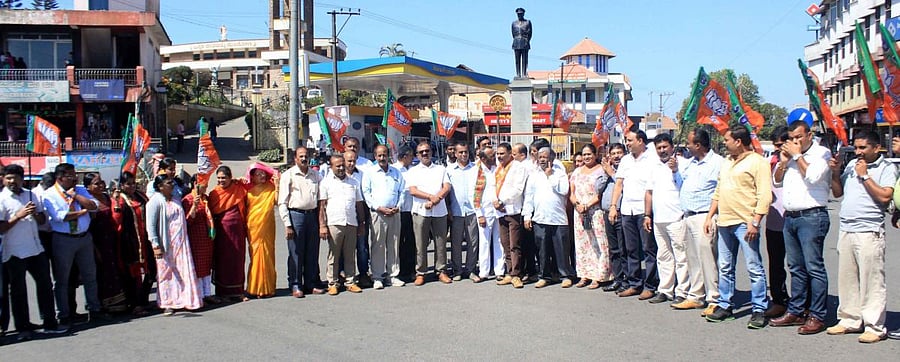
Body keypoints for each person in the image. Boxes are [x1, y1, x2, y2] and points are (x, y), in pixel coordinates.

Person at [825, 131, 895, 343]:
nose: (858, 152)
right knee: (847, 278)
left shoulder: (886, 167)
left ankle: (875, 326)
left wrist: (865, 176)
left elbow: (885, 196)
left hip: (869, 230)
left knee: (871, 280)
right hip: (847, 228)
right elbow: (838, 193)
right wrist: (835, 173)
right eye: (856, 148)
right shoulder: (851, 165)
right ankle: (850, 319)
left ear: (876, 148)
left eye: (863, 147)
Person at [703, 125, 771, 329]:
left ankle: (759, 309)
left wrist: (755, 222)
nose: (724, 143)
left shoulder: (758, 162)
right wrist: (709, 216)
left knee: (754, 267)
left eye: (727, 140)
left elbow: (764, 195)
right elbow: (718, 191)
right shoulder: (727, 162)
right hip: (725, 222)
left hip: (745, 223)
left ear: (738, 141)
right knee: (725, 266)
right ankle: (725, 305)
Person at [770, 120, 832, 335]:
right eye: (791, 138)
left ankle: (817, 315)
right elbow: (777, 181)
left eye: (798, 137)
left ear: (809, 135)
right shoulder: (790, 157)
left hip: (812, 216)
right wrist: (784, 162)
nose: (795, 141)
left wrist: (797, 156)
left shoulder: (821, 153)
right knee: (796, 267)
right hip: (791, 216)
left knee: (814, 267)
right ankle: (796, 310)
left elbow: (813, 177)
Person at [0, 164, 66, 340]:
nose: (12, 181)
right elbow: (1, 228)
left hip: (35, 248)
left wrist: (35, 213)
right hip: (14, 251)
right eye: (8, 178)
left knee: (45, 285)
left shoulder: (31, 195)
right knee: (18, 290)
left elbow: (42, 219)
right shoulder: (2, 199)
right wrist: (18, 216)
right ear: (3, 179)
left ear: (22, 179)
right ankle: (23, 327)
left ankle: (50, 322)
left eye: (15, 178)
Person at [41, 163, 103, 327]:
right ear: (60, 177)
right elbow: (61, 217)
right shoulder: (49, 194)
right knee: (62, 279)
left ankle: (94, 309)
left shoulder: (79, 190)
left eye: (74, 174)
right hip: (63, 239)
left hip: (84, 237)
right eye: (70, 175)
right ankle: (64, 313)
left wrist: (76, 196)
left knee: (90, 275)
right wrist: (82, 211)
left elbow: (94, 206)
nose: (74, 178)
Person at [672, 128, 723, 314]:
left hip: (705, 216)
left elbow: (720, 191)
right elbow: (681, 183)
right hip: (689, 216)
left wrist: (711, 217)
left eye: (690, 143)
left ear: (699, 145)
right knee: (693, 258)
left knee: (708, 259)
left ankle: (714, 298)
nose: (687, 146)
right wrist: (675, 171)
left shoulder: (718, 163)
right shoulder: (691, 163)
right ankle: (696, 296)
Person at [609, 130, 659, 300]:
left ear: (640, 141)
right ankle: (634, 284)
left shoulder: (652, 159)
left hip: (644, 210)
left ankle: (650, 285)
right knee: (631, 249)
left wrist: (648, 213)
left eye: (630, 140)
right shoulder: (626, 160)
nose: (627, 143)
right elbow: (619, 184)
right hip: (627, 210)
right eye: (627, 140)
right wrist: (613, 206)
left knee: (648, 249)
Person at [146, 175, 203, 316]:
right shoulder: (155, 202)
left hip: (181, 243)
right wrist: (155, 245)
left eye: (172, 182)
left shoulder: (176, 199)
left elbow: (184, 219)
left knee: (183, 271)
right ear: (160, 186)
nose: (172, 184)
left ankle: (185, 300)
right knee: (166, 274)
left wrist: (194, 206)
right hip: (166, 244)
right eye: (168, 183)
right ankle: (167, 303)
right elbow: (151, 226)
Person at [643, 133, 689, 305]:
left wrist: (675, 170)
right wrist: (647, 215)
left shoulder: (683, 164)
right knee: (663, 256)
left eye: (665, 147)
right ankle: (665, 289)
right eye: (659, 148)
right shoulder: (654, 167)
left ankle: (682, 291)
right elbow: (649, 193)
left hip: (677, 217)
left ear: (672, 147)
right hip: (658, 219)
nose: (662, 150)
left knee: (681, 257)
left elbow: (686, 187)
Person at [278, 146, 325, 298]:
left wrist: (321, 222)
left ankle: (311, 283)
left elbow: (321, 199)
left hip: (312, 216)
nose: (304, 159)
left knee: (312, 251)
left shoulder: (315, 175)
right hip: (295, 216)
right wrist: (288, 225)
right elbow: (282, 202)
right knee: (296, 252)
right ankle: (295, 284)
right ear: (295, 159)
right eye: (301, 156)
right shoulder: (288, 175)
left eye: (306, 156)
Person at [524, 147, 574, 288]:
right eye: (540, 157)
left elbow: (564, 190)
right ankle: (544, 276)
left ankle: (565, 276)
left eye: (544, 157)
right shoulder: (534, 175)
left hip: (558, 218)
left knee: (561, 249)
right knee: (542, 250)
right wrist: (527, 215)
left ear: (552, 158)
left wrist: (550, 175)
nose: (541, 160)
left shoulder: (560, 173)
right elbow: (529, 197)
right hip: (540, 218)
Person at [319, 154, 366, 295]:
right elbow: (322, 206)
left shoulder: (353, 182)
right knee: (334, 255)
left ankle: (350, 282)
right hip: (334, 223)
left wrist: (361, 223)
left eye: (342, 165)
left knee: (350, 254)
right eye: (337, 166)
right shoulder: (326, 183)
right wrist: (322, 225)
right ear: (331, 167)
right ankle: (332, 283)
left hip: (351, 222)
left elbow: (359, 204)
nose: (340, 168)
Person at [407, 141, 453, 286]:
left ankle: (441, 270)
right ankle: (421, 272)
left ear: (431, 152)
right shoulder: (413, 171)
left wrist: (436, 199)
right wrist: (430, 197)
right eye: (421, 152)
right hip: (420, 211)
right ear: (417, 155)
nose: (425, 154)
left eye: (427, 151)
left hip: (439, 211)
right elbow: (413, 190)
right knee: (420, 244)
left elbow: (447, 187)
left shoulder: (441, 169)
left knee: (441, 243)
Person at [363, 145, 407, 289]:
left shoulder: (396, 172)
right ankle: (378, 276)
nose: (382, 158)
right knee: (378, 245)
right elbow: (366, 193)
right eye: (379, 155)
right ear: (375, 156)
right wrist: (378, 207)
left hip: (394, 213)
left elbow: (402, 191)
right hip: (378, 213)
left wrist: (398, 206)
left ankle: (393, 275)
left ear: (388, 155)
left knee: (394, 245)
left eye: (384, 155)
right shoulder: (370, 173)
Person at [112, 171, 155, 315]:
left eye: (133, 183)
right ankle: (135, 304)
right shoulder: (119, 199)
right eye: (128, 184)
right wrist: (116, 203)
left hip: (145, 239)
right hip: (129, 241)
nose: (131, 186)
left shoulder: (141, 196)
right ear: (122, 185)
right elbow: (116, 220)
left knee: (151, 271)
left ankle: (143, 299)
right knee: (133, 274)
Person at [570, 144, 611, 289]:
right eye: (584, 154)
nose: (587, 157)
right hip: (579, 212)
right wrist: (577, 205)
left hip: (595, 212)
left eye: (589, 154)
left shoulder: (601, 170)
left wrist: (587, 205)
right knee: (582, 243)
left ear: (595, 155)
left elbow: (601, 193)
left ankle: (599, 275)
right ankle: (584, 274)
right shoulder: (577, 171)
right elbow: (572, 193)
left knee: (599, 242)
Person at [84, 173, 127, 313]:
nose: (101, 185)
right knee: (101, 273)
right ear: (88, 187)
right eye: (96, 183)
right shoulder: (88, 202)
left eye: (101, 182)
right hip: (98, 242)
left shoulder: (108, 198)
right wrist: (95, 248)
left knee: (115, 270)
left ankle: (118, 305)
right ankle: (102, 306)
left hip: (112, 239)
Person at [208, 166, 248, 301]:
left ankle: (238, 292)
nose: (221, 180)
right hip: (222, 233)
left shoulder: (238, 188)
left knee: (237, 260)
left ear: (230, 177)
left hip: (237, 230)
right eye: (219, 178)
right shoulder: (214, 193)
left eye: (224, 178)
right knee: (223, 261)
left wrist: (239, 181)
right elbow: (210, 213)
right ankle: (222, 292)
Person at [493, 142, 528, 288]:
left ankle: (516, 274)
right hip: (500, 211)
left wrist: (502, 201)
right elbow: (493, 187)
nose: (499, 156)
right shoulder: (498, 169)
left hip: (513, 210)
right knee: (505, 243)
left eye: (502, 153)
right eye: (498, 154)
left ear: (510, 154)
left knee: (515, 244)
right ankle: (509, 272)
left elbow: (518, 189)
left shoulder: (518, 167)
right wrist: (495, 201)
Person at [182, 175, 220, 304]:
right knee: (197, 267)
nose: (206, 186)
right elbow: (187, 221)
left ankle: (207, 293)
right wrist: (194, 206)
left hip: (207, 238)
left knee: (206, 266)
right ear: (195, 184)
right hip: (195, 238)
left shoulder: (206, 199)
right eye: (203, 184)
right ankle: (198, 294)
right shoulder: (187, 200)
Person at [764, 128, 790, 318]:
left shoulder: (798, 161)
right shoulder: (770, 162)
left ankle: (803, 304)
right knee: (775, 264)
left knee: (799, 266)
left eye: (781, 145)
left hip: (794, 220)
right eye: (776, 145)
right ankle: (779, 300)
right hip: (774, 220)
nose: (778, 149)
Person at [244, 163, 279, 299]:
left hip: (267, 225)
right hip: (254, 225)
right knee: (255, 255)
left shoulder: (271, 187)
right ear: (252, 177)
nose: (262, 176)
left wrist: (277, 186)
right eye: (258, 174)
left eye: (263, 173)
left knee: (268, 254)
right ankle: (254, 287)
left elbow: (277, 201)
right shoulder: (247, 189)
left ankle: (268, 287)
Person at [446, 142, 479, 281]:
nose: (464, 154)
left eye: (465, 152)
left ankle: (471, 270)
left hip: (473, 211)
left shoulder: (476, 168)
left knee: (473, 242)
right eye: (460, 152)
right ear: (455, 153)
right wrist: (449, 209)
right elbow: (446, 192)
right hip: (456, 211)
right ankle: (457, 270)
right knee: (456, 242)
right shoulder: (449, 170)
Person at [471, 146, 505, 282]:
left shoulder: (497, 169)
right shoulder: (476, 171)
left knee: (499, 241)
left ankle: (499, 271)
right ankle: (484, 272)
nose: (494, 158)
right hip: (485, 211)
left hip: (499, 210)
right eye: (491, 156)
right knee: (485, 242)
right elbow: (473, 194)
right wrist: (479, 214)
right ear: (483, 158)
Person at [599, 143, 627, 293]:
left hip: (622, 213)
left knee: (624, 249)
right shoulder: (606, 170)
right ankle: (618, 278)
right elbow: (597, 188)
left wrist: (612, 174)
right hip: (607, 213)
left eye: (619, 153)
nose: (616, 156)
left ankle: (628, 279)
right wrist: (606, 173)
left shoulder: (627, 169)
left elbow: (625, 186)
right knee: (613, 249)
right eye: (613, 153)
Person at [392, 146, 417, 281]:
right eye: (411, 156)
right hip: (398, 211)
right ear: (405, 156)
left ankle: (411, 269)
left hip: (412, 210)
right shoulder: (394, 169)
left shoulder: (413, 170)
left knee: (411, 241)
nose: (413, 158)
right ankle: (399, 269)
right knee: (399, 241)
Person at [511, 7, 532, 78]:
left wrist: (527, 41)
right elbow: (513, 34)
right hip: (516, 42)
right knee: (517, 60)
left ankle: (524, 73)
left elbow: (530, 34)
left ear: (523, 14)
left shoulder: (527, 22)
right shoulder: (514, 23)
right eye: (518, 14)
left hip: (524, 42)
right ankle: (518, 74)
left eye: (521, 14)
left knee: (524, 59)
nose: (519, 15)